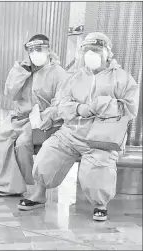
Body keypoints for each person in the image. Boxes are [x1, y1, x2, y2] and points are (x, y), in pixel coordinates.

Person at [24, 32, 139, 221]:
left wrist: (97, 105)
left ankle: (100, 204)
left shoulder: (122, 78)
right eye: (87, 50)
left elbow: (129, 108)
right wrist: (78, 108)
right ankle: (39, 194)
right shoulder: (75, 77)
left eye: (96, 50)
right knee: (48, 153)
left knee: (98, 169)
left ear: (108, 53)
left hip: (103, 137)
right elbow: (61, 103)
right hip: (71, 133)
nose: (91, 54)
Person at [0, 34, 68, 197]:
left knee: (22, 144)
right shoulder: (22, 69)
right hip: (19, 117)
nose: (36, 53)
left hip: (42, 120)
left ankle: (25, 182)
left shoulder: (58, 73)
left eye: (39, 49)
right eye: (32, 50)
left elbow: (62, 101)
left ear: (48, 50)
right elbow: (10, 93)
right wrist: (21, 72)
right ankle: (8, 185)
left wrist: (48, 117)